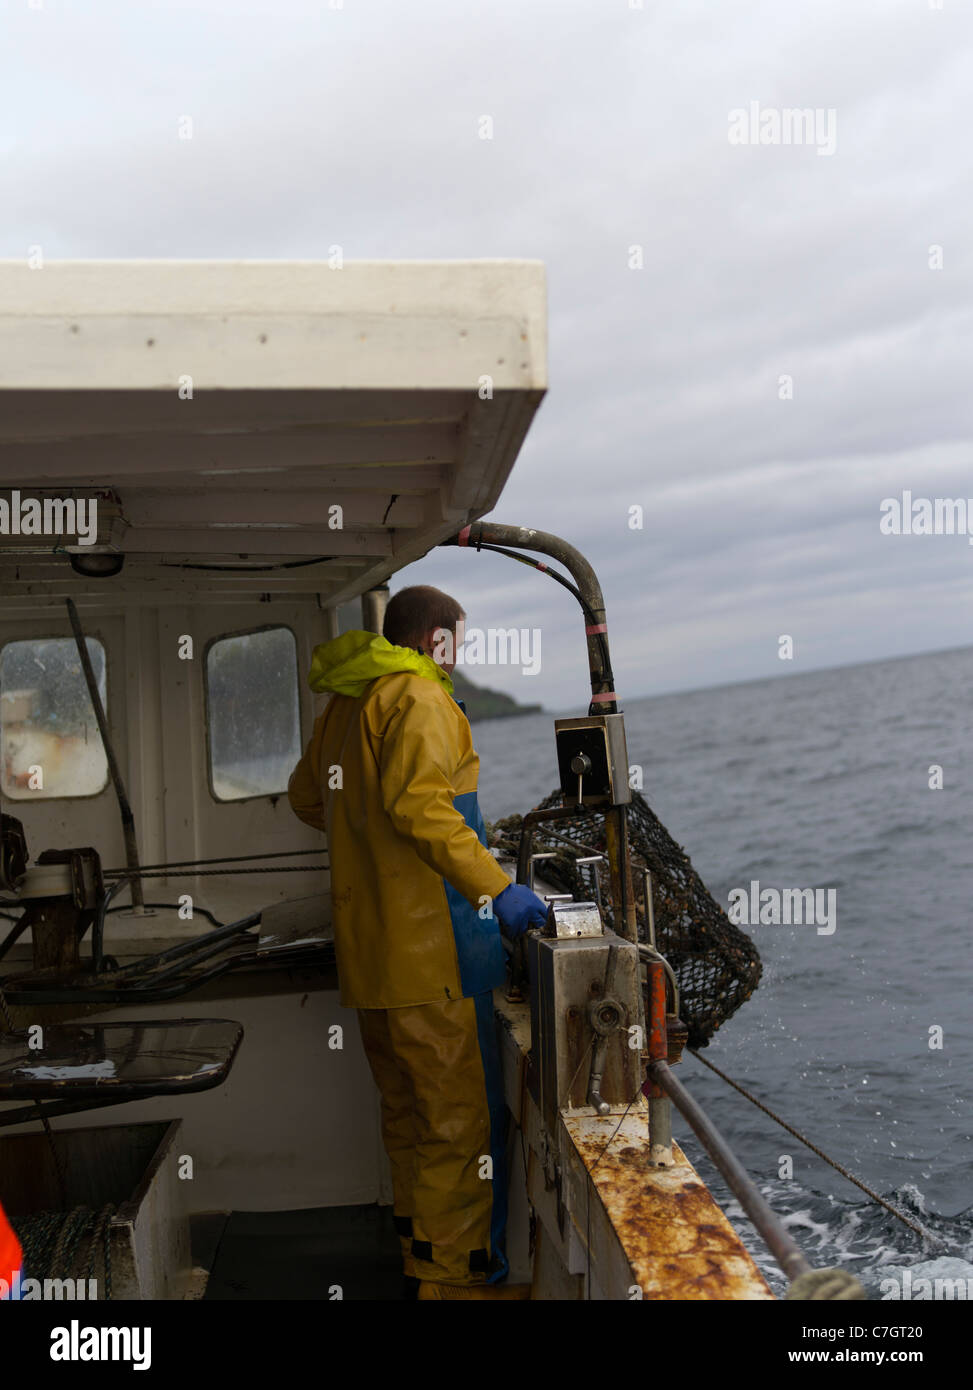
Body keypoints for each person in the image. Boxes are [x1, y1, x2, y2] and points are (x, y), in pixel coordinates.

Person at [287, 585, 548, 1300]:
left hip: (371, 964)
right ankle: (453, 1286)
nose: (456, 655)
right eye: (456, 641)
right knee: (456, 1135)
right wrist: (498, 889)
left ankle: (418, 1257)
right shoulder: (422, 699)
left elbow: (309, 799)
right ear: (438, 640)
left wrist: (368, 843)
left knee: (407, 1122)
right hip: (433, 960)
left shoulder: (345, 705)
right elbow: (424, 808)